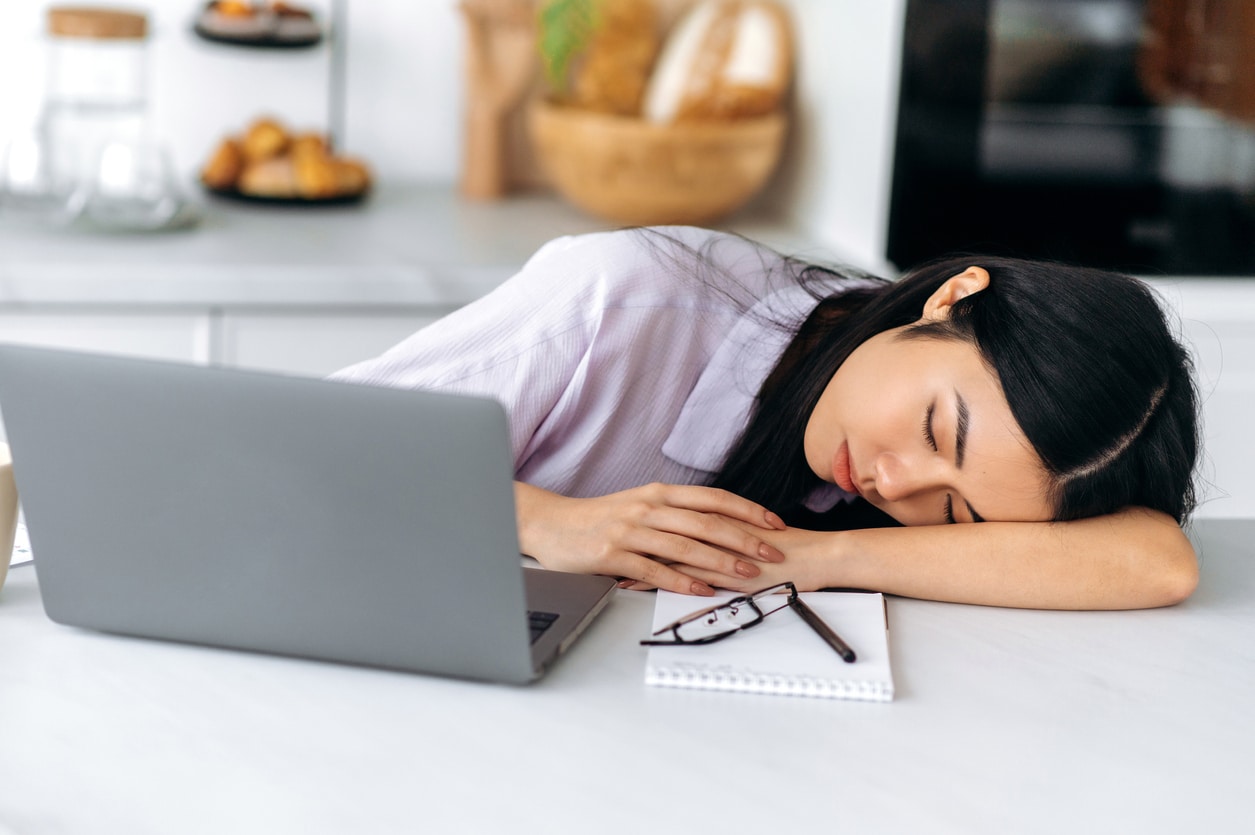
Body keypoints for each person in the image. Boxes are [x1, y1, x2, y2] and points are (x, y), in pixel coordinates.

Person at [331, 226, 1201, 610]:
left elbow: (1155, 561)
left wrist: (820, 554)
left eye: (951, 513)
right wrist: (545, 522)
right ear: (951, 295)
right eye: (938, 432)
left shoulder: (868, 477)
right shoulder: (624, 297)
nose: (894, 483)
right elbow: (307, 448)